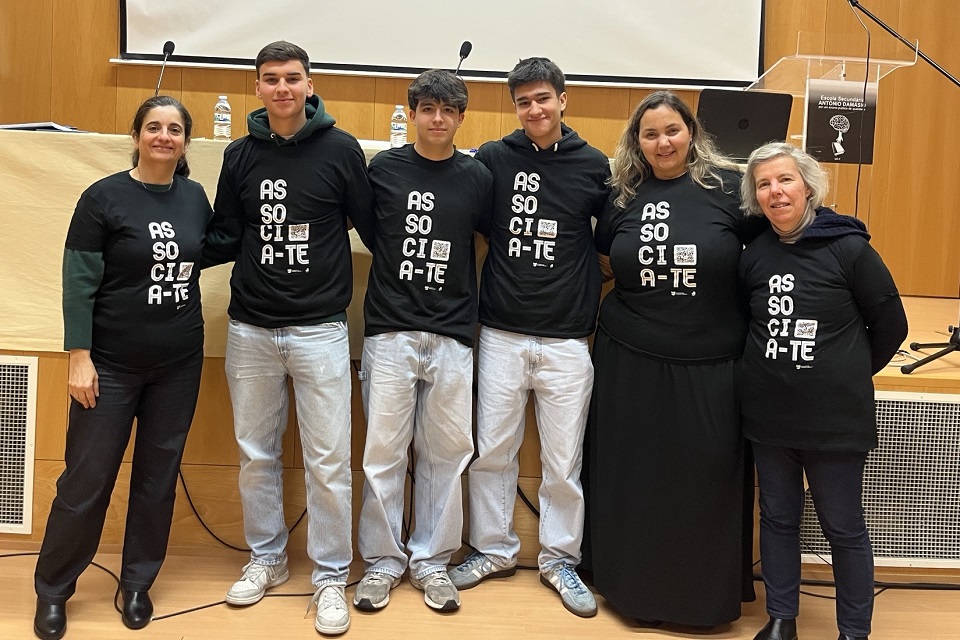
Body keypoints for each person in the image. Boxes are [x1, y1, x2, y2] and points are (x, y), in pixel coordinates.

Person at [202, 41, 374, 636]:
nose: (282, 88)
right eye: (270, 79)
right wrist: (160, 247)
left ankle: (330, 576)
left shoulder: (342, 149)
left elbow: (374, 227)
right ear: (257, 87)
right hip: (250, 329)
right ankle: (268, 558)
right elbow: (224, 232)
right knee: (256, 454)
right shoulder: (239, 154)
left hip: (321, 331)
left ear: (309, 84)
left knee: (328, 462)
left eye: (292, 78)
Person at [33, 96, 211, 640]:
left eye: (174, 129)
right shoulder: (103, 197)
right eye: (153, 127)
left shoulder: (195, 197)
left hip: (178, 364)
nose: (163, 136)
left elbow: (210, 250)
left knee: (157, 480)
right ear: (135, 135)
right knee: (85, 480)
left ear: (185, 142)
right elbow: (78, 283)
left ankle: (136, 583)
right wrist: (79, 357)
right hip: (107, 366)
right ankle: (54, 590)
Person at [585, 90, 764, 626]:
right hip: (628, 360)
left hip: (710, 365)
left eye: (672, 130)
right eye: (650, 134)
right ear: (636, 142)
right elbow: (602, 263)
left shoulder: (731, 190)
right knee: (632, 479)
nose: (662, 142)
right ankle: (626, 589)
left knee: (704, 479)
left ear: (691, 133)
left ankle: (699, 600)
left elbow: (777, 244)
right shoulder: (620, 196)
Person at [448, 57, 610, 618]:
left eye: (543, 98)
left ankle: (560, 558)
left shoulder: (596, 166)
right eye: (523, 101)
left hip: (568, 338)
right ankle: (493, 549)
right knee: (491, 450)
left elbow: (611, 243)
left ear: (564, 100)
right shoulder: (492, 159)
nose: (534, 109)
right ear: (514, 107)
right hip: (500, 331)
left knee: (564, 460)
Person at [738, 143, 907, 640]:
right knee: (778, 518)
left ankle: (854, 631)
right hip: (769, 417)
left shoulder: (848, 248)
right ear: (756, 197)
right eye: (764, 184)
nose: (775, 192)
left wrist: (847, 372)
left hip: (834, 420)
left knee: (843, 528)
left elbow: (891, 325)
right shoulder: (754, 256)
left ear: (808, 186)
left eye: (784, 180)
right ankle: (782, 618)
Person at [352, 69, 492, 614]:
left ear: (461, 118)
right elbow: (371, 233)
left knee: (446, 454)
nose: (437, 119)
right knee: (383, 453)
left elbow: (483, 236)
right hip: (389, 329)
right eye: (428, 108)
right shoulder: (383, 170)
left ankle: (432, 562)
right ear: (411, 113)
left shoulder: (477, 177)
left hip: (454, 332)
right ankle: (383, 563)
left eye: (448, 110)